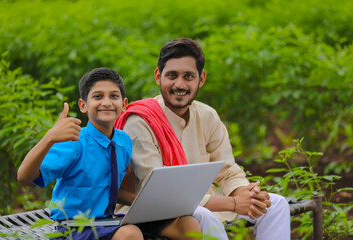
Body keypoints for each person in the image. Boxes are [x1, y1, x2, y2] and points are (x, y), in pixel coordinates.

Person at [114, 38, 291, 240]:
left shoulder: (207, 115)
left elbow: (228, 170)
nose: (179, 84)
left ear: (201, 78)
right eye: (172, 75)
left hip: (206, 204)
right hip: (157, 212)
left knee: (275, 204)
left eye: (188, 76)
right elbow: (161, 193)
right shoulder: (141, 121)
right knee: (202, 217)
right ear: (158, 76)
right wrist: (233, 204)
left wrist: (246, 195)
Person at [17, 67, 201, 240]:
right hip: (74, 226)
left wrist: (148, 204)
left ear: (123, 105)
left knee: (188, 225)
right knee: (130, 234)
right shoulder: (73, 142)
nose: (106, 102)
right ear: (83, 105)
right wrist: (49, 138)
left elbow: (111, 189)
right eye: (97, 96)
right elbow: (24, 176)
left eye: (113, 96)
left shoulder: (123, 141)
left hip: (108, 220)